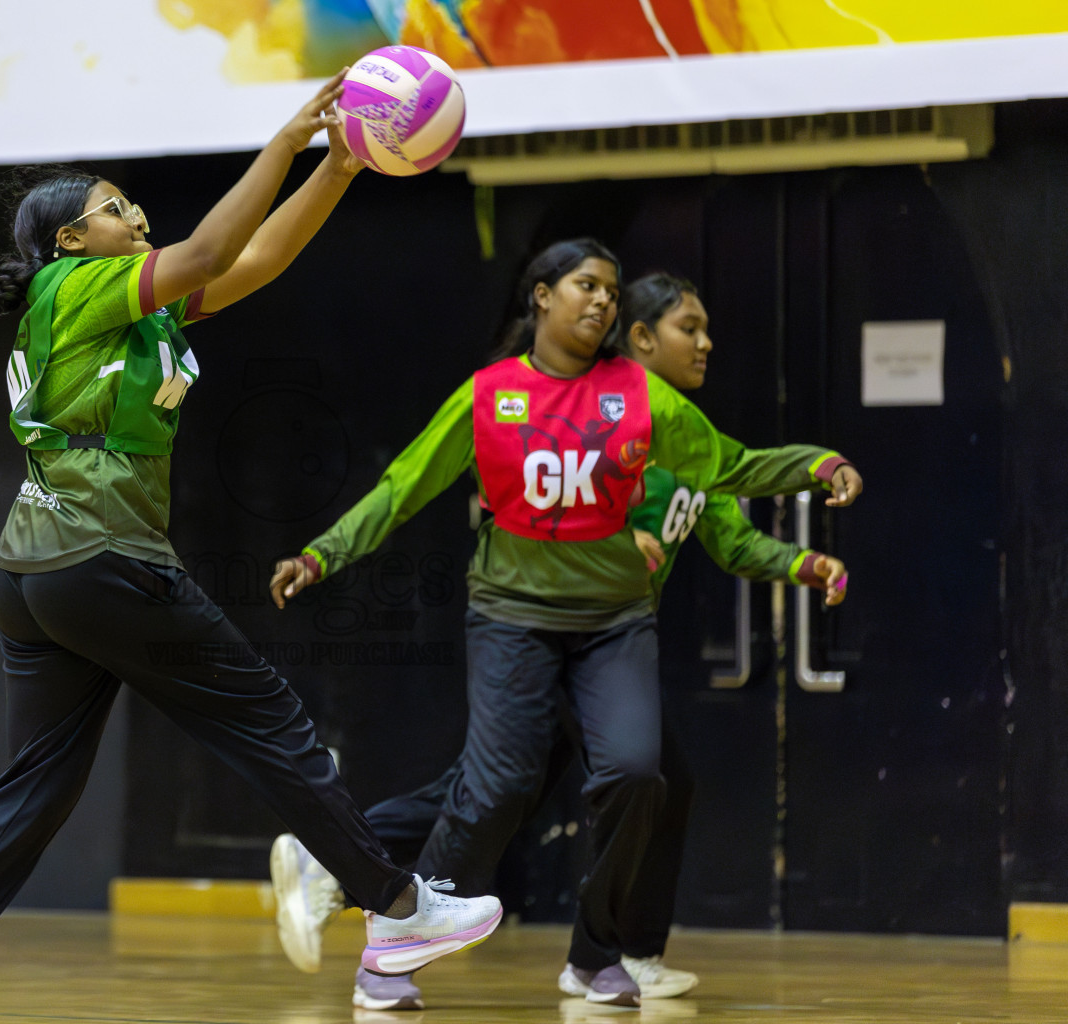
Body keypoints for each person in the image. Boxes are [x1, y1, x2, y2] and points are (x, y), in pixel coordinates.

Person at [0, 73, 502, 1024]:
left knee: (38, 780)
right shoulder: (75, 287)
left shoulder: (133, 312)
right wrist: (284, 140)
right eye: (113, 208)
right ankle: (397, 908)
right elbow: (217, 243)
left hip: (39, 573)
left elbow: (257, 260)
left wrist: (339, 164)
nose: (134, 214)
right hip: (101, 557)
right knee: (268, 719)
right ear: (70, 240)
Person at [266, 239, 863, 1008]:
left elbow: (732, 466)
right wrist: (321, 554)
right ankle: (391, 953)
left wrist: (817, 465)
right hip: (512, 618)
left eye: (612, 292)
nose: (602, 302)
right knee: (496, 785)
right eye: (586, 286)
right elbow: (402, 488)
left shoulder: (640, 396)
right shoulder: (490, 395)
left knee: (639, 775)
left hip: (614, 620)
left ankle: (597, 956)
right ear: (542, 297)